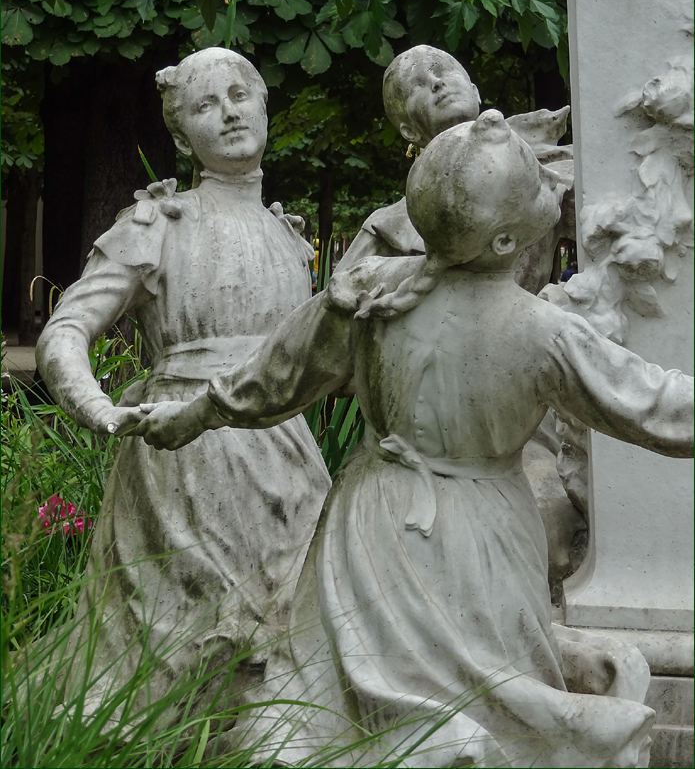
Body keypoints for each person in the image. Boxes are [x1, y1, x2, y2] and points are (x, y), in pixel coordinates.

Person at [134, 111, 693, 767]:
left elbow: (269, 380)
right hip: (479, 537)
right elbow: (656, 406)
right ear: (507, 238)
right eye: (538, 188)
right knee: (480, 704)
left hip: (366, 522)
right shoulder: (541, 330)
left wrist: (194, 412)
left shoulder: (368, 296)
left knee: (350, 713)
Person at [35, 47, 331, 726]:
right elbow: (65, 329)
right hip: (184, 464)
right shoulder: (157, 226)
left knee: (285, 649)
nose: (228, 113)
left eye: (238, 95)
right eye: (204, 105)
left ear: (263, 105)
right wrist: (96, 404)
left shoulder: (289, 238)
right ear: (180, 134)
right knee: (171, 657)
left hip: (286, 459)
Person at [338, 45, 574, 295]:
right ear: (410, 131)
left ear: (475, 92)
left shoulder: (545, 174)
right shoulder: (387, 227)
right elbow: (336, 299)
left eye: (443, 71)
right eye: (416, 86)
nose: (436, 82)